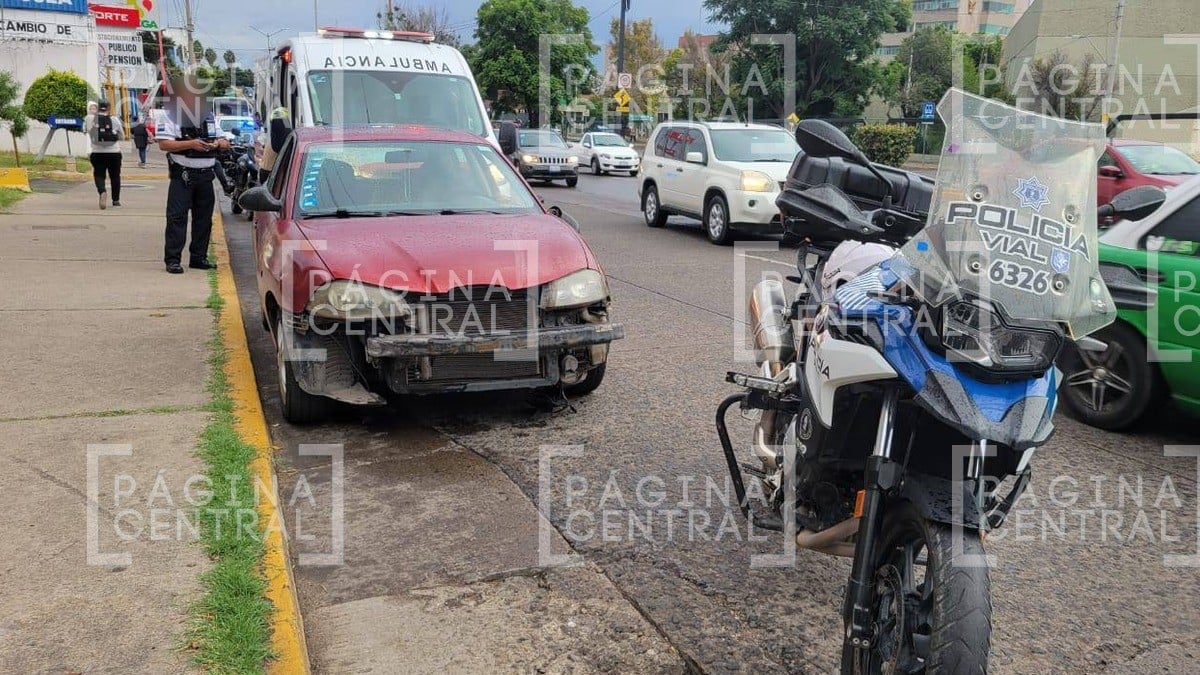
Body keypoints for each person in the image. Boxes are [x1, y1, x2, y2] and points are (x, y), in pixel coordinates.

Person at [156, 82, 231, 274]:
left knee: (204, 220)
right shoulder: (169, 115)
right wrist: (192, 144)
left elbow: (225, 141)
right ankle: (173, 260)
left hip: (206, 176)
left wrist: (216, 145)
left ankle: (199, 257)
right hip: (183, 176)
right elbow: (164, 144)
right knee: (177, 219)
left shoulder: (208, 116)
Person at [87, 100, 124, 209]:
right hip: (114, 153)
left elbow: (90, 134)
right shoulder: (114, 119)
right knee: (115, 176)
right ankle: (116, 200)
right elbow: (122, 136)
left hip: (97, 153)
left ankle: (102, 191)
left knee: (99, 175)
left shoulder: (90, 119)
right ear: (108, 109)